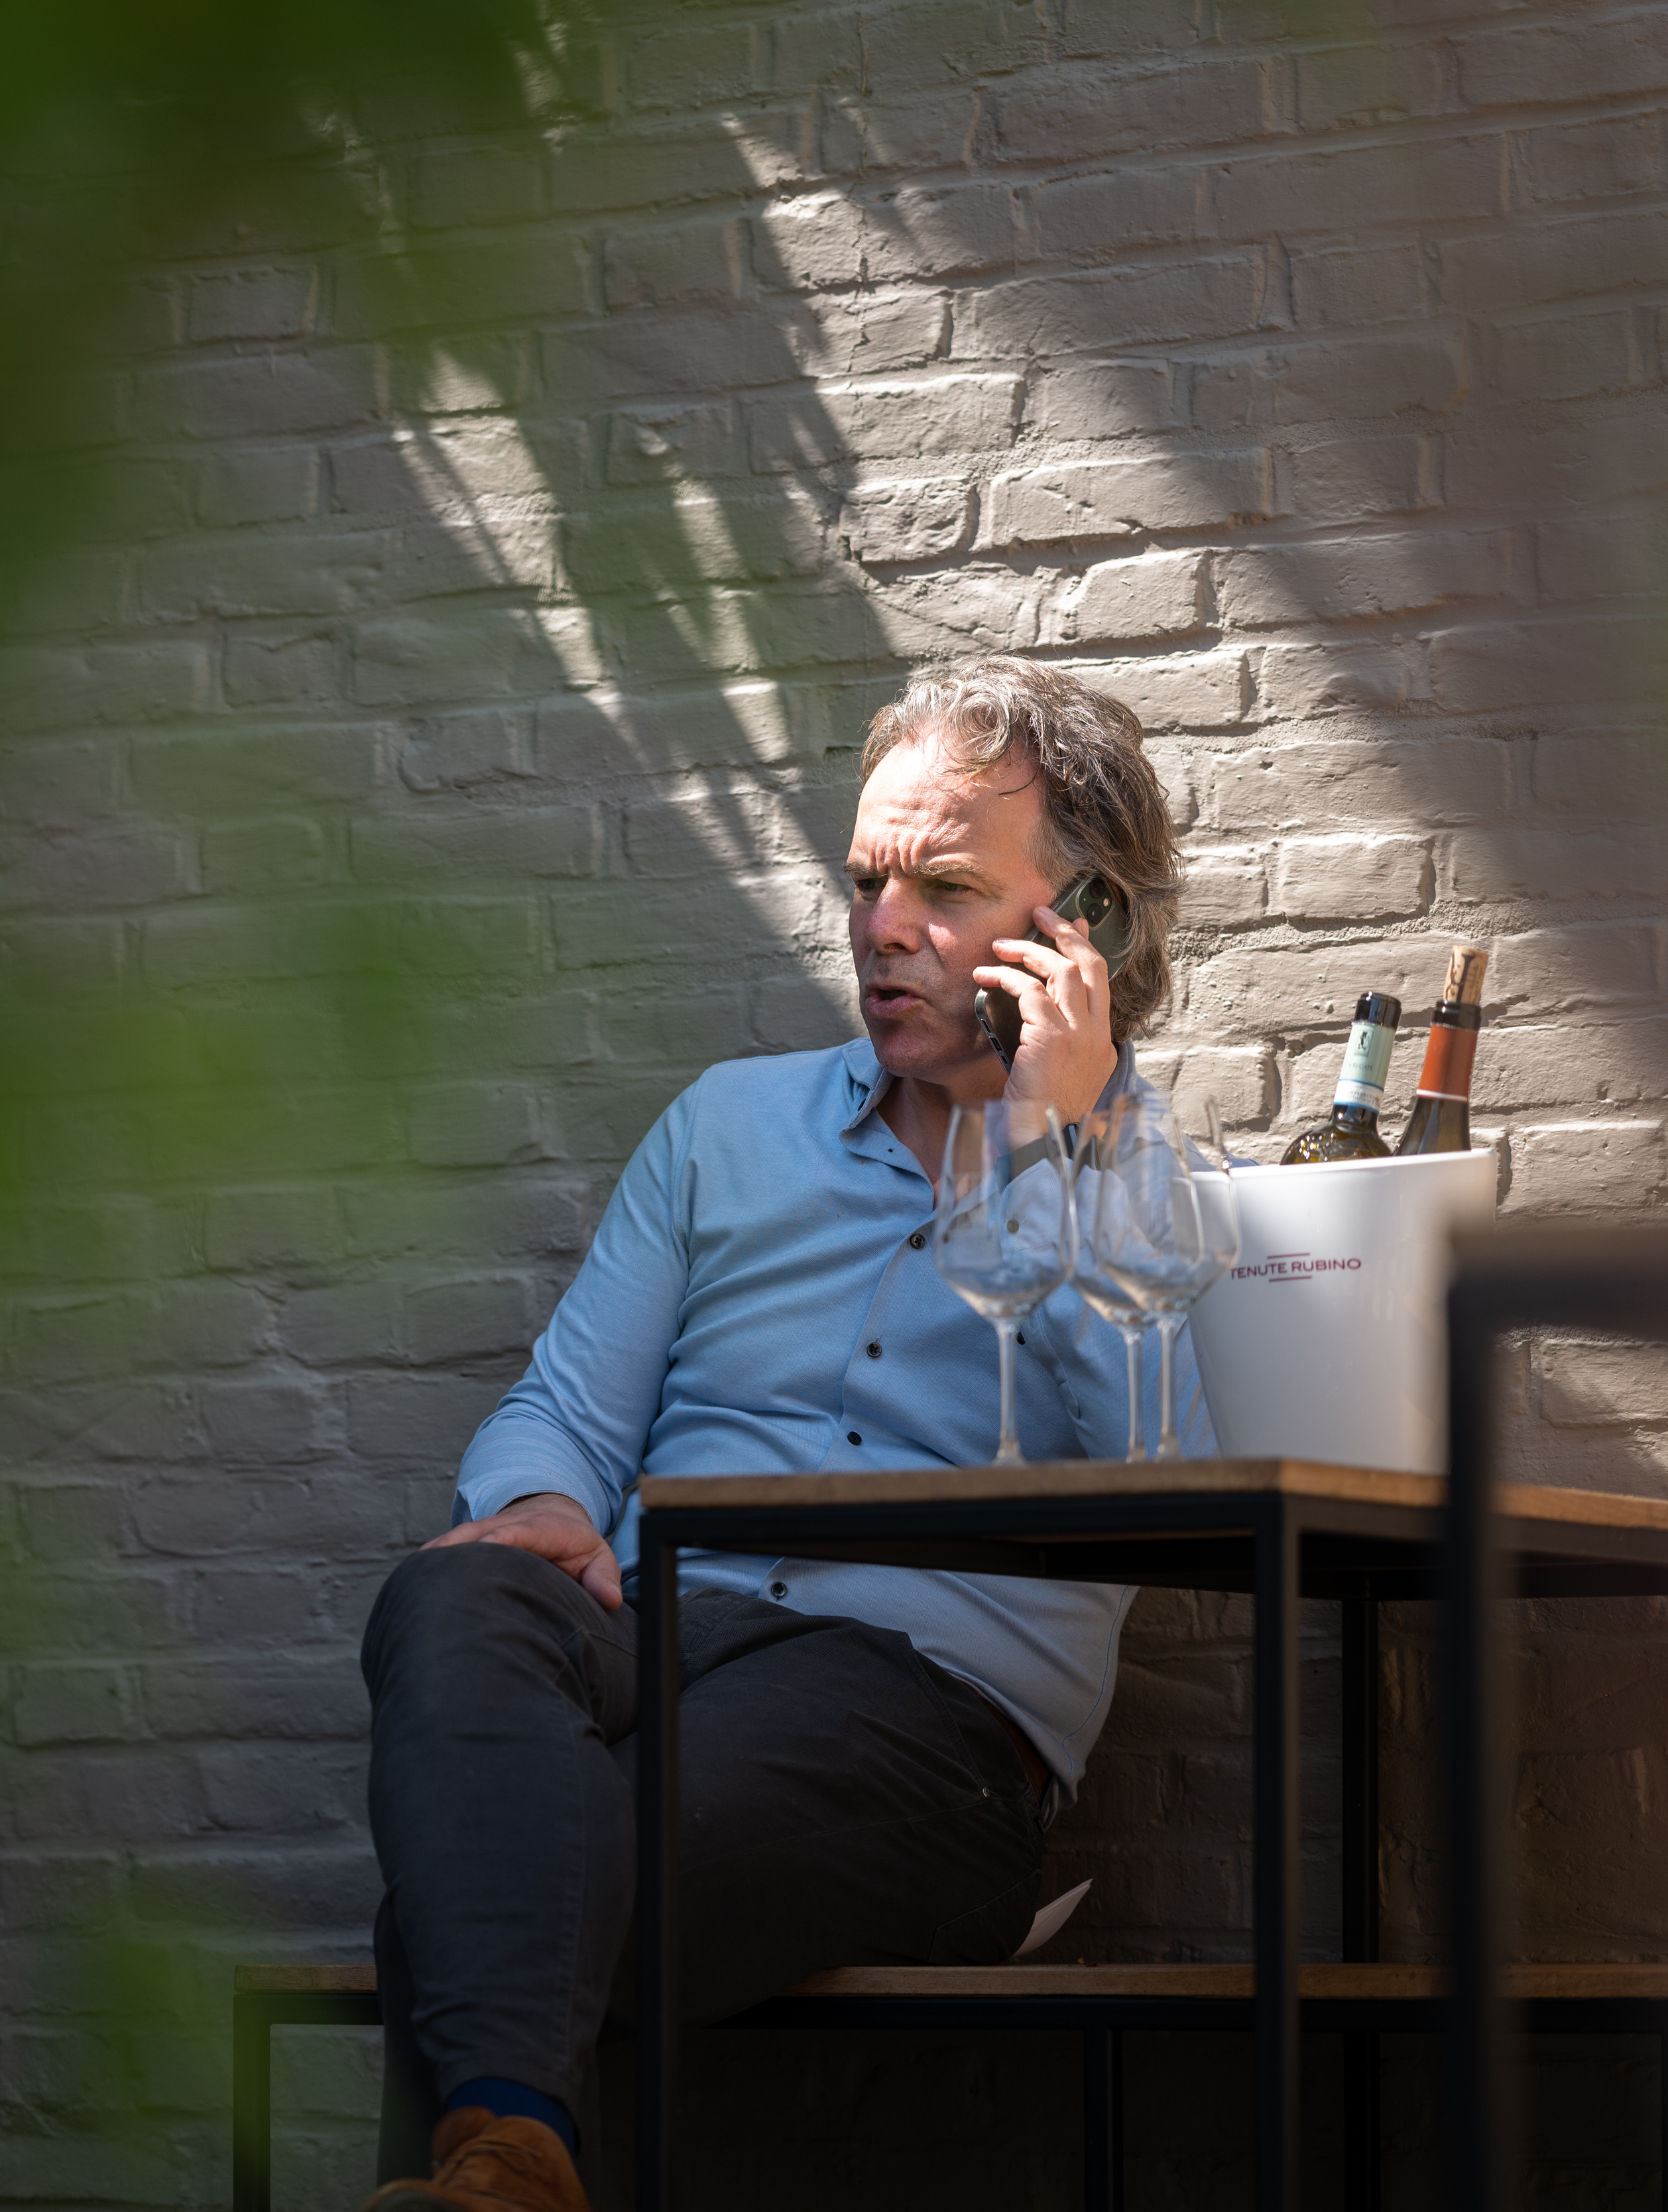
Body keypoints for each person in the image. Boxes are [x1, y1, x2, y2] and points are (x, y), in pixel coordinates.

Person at [356, 656, 1204, 2212]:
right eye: (869, 879)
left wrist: (1048, 1147)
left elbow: (1170, 1483)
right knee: (453, 1592)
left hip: (925, 1717)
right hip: (657, 1628)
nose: (881, 925)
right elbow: (563, 1408)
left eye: (944, 888)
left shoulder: (1152, 1191)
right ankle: (509, 2177)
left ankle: (498, 2159)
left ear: (1086, 922)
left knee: (477, 1893)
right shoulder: (724, 1129)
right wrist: (543, 1503)